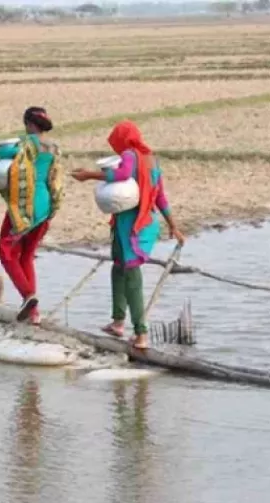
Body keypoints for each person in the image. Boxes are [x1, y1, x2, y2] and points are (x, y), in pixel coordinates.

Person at [71, 120, 184, 349]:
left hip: (134, 226)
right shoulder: (152, 160)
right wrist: (173, 225)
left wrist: (90, 175)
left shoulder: (131, 156)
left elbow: (122, 174)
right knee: (119, 267)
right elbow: (160, 197)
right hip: (132, 223)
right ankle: (118, 322)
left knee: (132, 275)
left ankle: (141, 334)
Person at [0, 107, 63, 325]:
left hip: (26, 205)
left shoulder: (27, 143)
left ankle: (28, 296)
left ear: (29, 124)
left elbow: (9, 153)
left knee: (6, 252)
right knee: (26, 256)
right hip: (45, 207)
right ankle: (34, 314)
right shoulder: (53, 147)